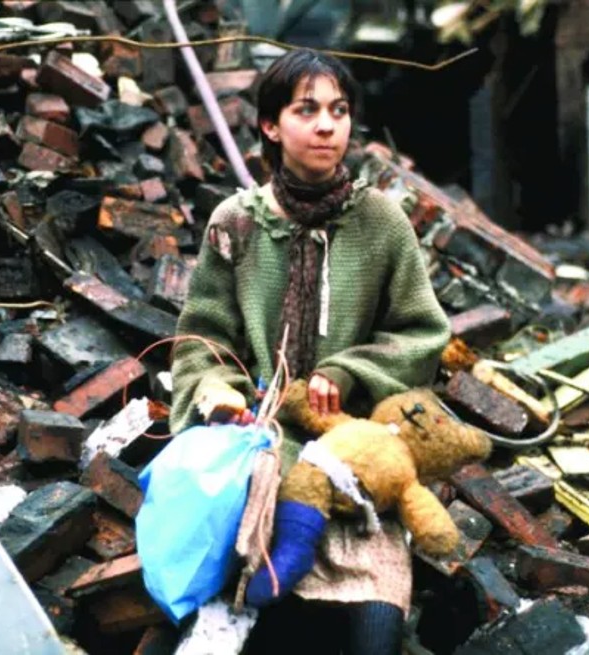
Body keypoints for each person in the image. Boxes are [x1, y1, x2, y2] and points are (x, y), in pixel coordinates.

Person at [169, 47, 451, 655]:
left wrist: (348, 373)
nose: (327, 125)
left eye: (339, 110)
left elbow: (422, 333)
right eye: (307, 110)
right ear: (272, 125)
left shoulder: (381, 222)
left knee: (376, 631)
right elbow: (203, 338)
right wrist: (214, 391)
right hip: (264, 449)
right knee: (267, 621)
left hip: (356, 455)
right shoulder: (236, 224)